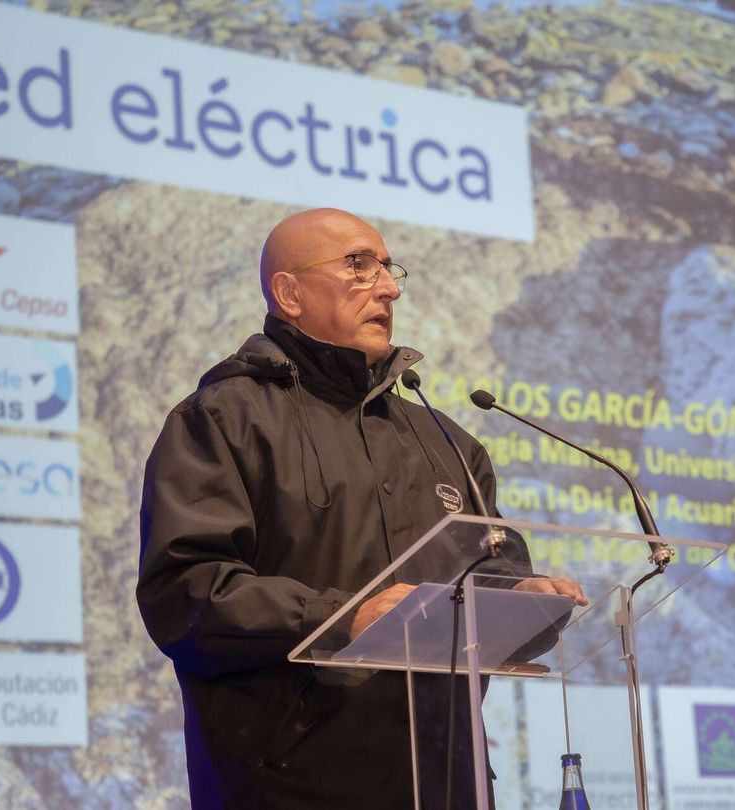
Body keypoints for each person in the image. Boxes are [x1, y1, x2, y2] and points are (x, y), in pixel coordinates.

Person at [137, 208, 585, 809]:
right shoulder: (222, 421)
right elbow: (187, 592)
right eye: (359, 265)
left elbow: (488, 570)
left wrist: (523, 600)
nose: (391, 286)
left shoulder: (448, 442)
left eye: (389, 268)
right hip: (288, 783)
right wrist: (344, 617)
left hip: (446, 780)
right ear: (288, 293)